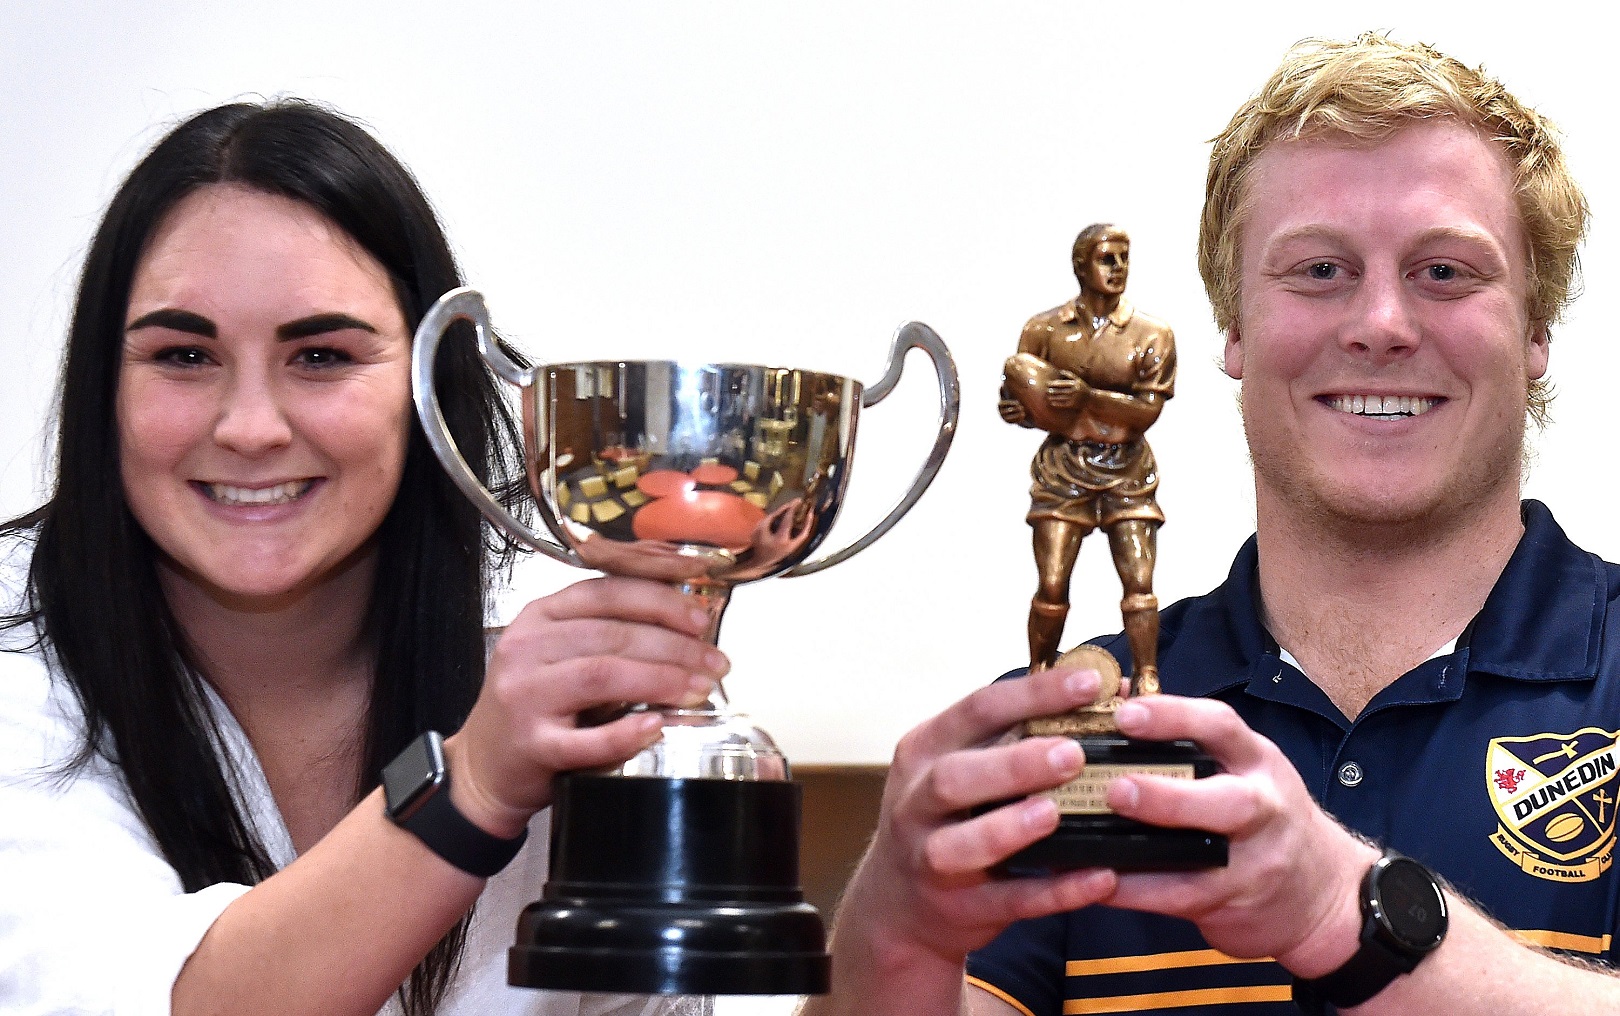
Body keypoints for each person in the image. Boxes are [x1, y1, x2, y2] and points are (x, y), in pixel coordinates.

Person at [801, 33, 1620, 1016]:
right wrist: (894, 932)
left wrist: (1343, 912)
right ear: (1233, 327)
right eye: (1319, 270)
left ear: (1535, 330)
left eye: (1445, 271)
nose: (1382, 322)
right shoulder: (1083, 721)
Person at [0, 101, 721, 1016]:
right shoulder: (19, 688)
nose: (250, 427)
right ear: (103, 389)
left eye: (321, 355)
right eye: (183, 354)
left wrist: (894, 931)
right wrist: (473, 788)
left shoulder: (544, 687)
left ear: (429, 388)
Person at [999, 224, 1175, 694]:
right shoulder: (1043, 330)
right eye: (1107, 259)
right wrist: (1019, 409)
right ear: (1081, 266)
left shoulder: (1151, 334)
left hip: (1128, 469)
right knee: (1052, 583)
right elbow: (1026, 401)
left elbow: (1145, 412)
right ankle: (1039, 673)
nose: (1119, 269)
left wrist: (1086, 397)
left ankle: (1147, 676)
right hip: (1063, 469)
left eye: (1124, 258)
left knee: (1139, 583)